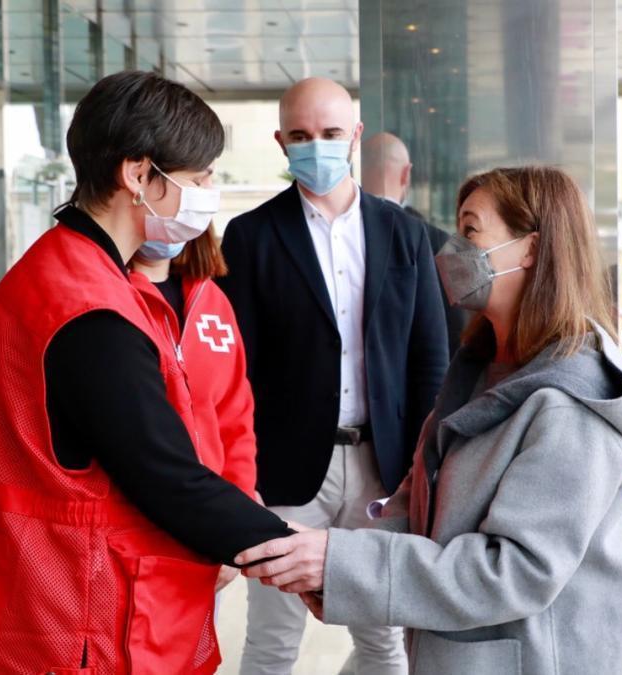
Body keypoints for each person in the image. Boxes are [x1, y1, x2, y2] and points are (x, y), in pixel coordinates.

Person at [0, 71, 291, 674]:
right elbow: (166, 476)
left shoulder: (53, 269)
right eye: (198, 178)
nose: (208, 193)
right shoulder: (91, 311)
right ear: (139, 176)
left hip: (18, 600)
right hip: (67, 623)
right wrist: (291, 548)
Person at [238, 166, 622, 675]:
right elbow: (426, 514)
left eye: (471, 231)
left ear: (529, 249)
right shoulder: (479, 374)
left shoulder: (570, 404)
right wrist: (324, 559)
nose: (452, 249)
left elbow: (515, 571)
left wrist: (339, 562)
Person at [218, 78, 448, 675]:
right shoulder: (250, 236)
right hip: (286, 469)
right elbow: (232, 369)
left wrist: (422, 466)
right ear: (279, 141)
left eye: (329, 134)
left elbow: (429, 359)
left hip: (383, 467)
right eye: (299, 136)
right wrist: (239, 475)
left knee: (383, 639)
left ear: (356, 137)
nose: (315, 146)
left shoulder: (404, 234)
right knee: (271, 640)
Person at [129, 224, 259, 594]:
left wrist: (232, 521)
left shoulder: (211, 301)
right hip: (139, 528)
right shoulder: (113, 296)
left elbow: (235, 418)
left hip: (208, 525)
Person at [362, 131, 469, 357]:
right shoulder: (437, 241)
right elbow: (456, 327)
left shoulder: (339, 238)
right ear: (406, 174)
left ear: (360, 172)